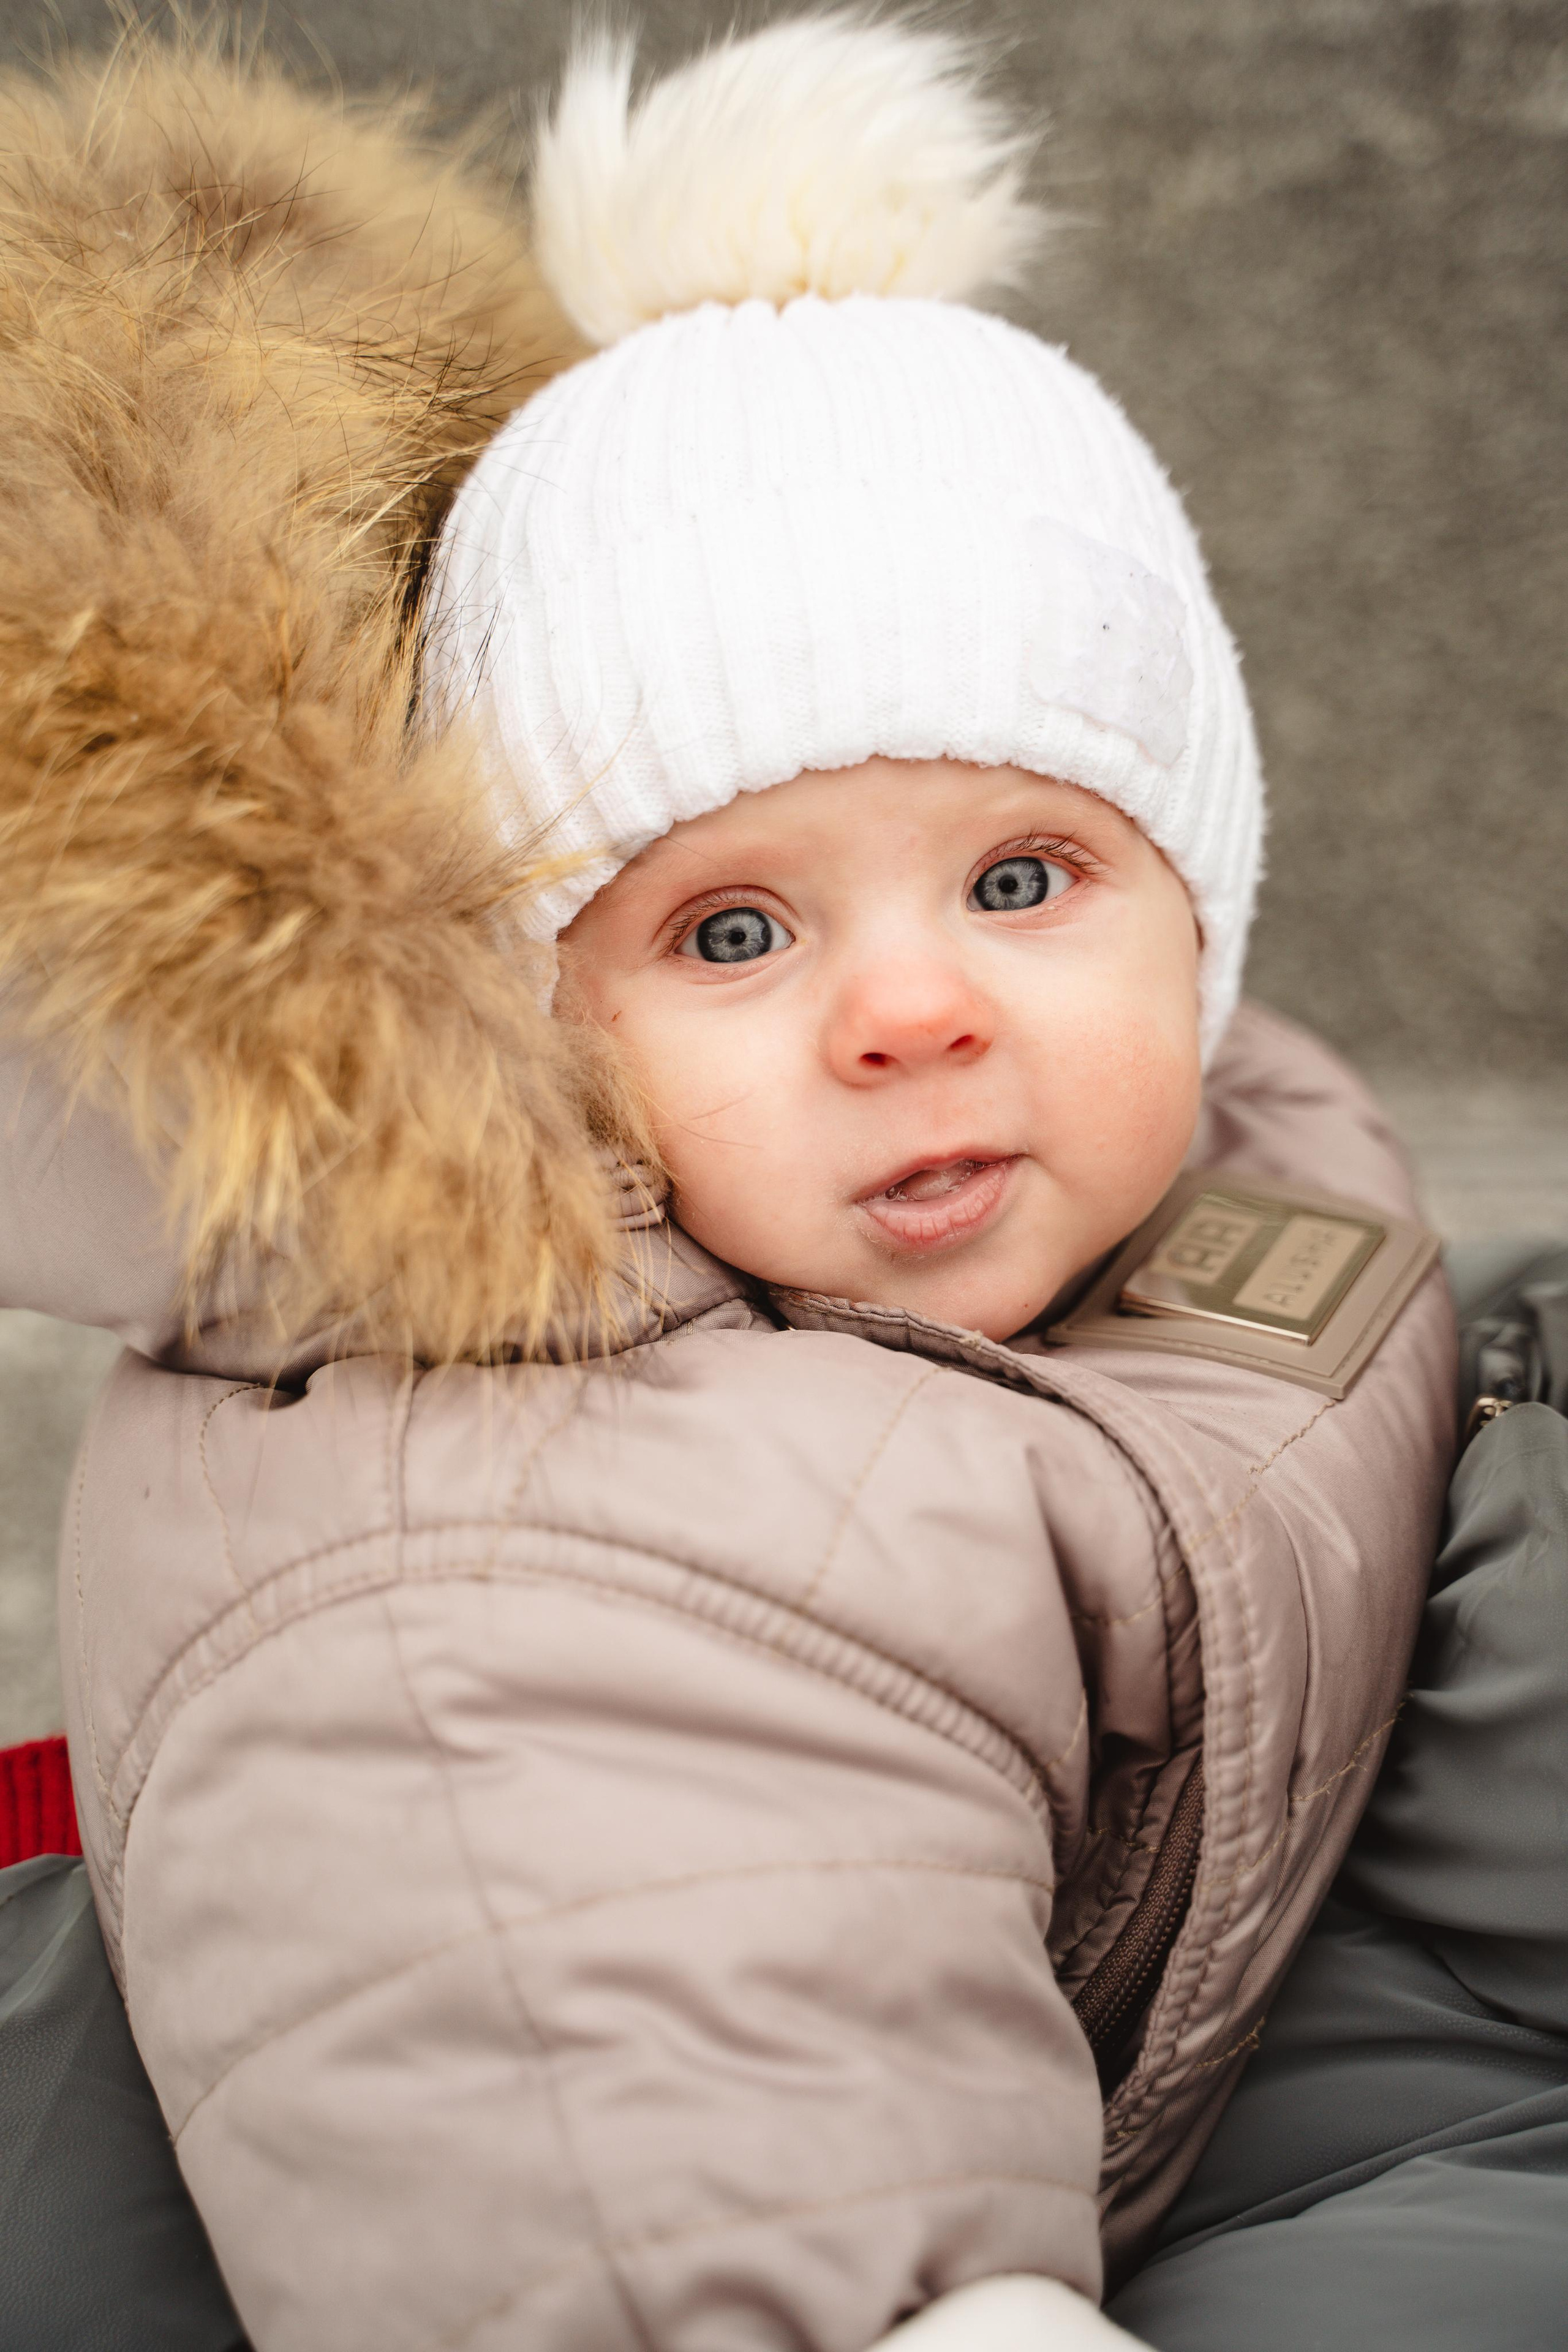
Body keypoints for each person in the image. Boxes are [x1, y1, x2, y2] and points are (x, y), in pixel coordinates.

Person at [0, 17, 1457, 2351]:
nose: (915, 1011)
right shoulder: (527, 1575)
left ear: (1208, 901)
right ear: (532, 1020)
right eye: (736, 933)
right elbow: (638, 2112)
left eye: (1021, 877)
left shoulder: (1208, 1146)